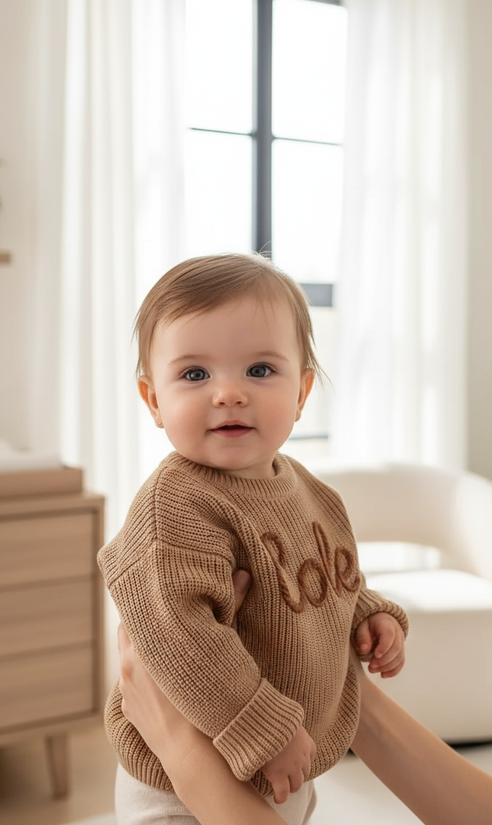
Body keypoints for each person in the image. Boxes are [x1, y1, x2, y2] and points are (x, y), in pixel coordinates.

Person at [98, 253, 409, 825]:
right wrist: (261, 727)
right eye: (195, 375)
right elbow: (179, 636)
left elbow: (323, 574)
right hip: (188, 783)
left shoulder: (309, 491)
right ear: (153, 401)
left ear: (302, 391)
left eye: (260, 370)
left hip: (286, 760)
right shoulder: (177, 505)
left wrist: (367, 613)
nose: (228, 394)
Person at [116, 572, 492, 825]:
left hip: (250, 777)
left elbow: (328, 563)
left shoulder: (300, 489)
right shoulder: (174, 500)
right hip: (177, 805)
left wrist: (180, 746)